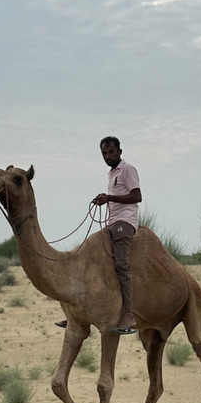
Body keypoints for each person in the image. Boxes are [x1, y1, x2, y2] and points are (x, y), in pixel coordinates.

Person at [56, 136, 142, 333]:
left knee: (121, 264)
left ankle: (129, 315)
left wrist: (109, 197)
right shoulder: (112, 173)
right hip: (112, 224)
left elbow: (137, 196)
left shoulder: (127, 169)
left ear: (120, 151)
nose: (108, 156)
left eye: (111, 152)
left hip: (125, 224)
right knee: (86, 258)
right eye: (104, 153)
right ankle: (76, 314)